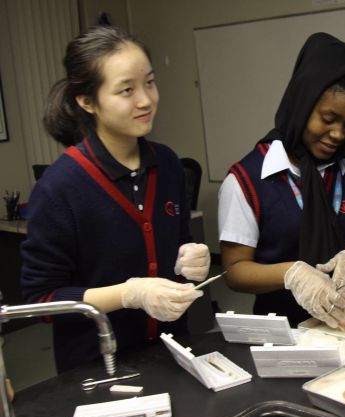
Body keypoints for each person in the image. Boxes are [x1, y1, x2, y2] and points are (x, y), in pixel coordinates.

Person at [21, 26, 211, 373]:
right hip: (98, 365)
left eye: (150, 83)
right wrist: (129, 295)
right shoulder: (60, 186)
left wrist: (188, 257)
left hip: (172, 350)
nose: (145, 100)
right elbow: (41, 301)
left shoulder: (167, 163)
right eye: (126, 90)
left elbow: (175, 242)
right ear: (87, 101)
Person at [218, 32, 345, 328]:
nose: (338, 134)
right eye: (328, 118)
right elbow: (235, 271)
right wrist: (291, 274)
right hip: (284, 332)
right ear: (302, 104)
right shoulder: (249, 179)